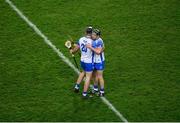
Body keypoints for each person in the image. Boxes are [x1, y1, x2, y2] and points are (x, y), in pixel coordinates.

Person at [70, 27, 94, 98]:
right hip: (89, 62)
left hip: (82, 61)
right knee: (88, 77)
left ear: (86, 32)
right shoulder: (92, 41)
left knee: (83, 72)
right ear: (91, 33)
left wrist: (71, 50)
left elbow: (75, 50)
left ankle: (77, 87)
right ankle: (84, 94)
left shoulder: (81, 39)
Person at [86, 29, 105, 96]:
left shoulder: (99, 41)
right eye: (92, 34)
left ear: (98, 36)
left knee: (100, 76)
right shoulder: (94, 39)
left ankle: (102, 92)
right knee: (94, 75)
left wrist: (90, 47)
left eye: (94, 35)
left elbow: (98, 52)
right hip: (94, 61)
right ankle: (95, 89)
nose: (92, 35)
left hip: (99, 61)